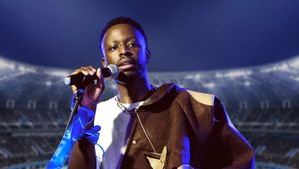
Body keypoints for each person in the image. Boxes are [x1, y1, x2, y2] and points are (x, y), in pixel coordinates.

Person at [67, 17, 255, 169]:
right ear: (104, 62)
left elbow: (243, 160)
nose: (124, 51)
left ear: (147, 54)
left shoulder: (192, 104)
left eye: (132, 44)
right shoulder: (96, 113)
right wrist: (86, 109)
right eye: (113, 47)